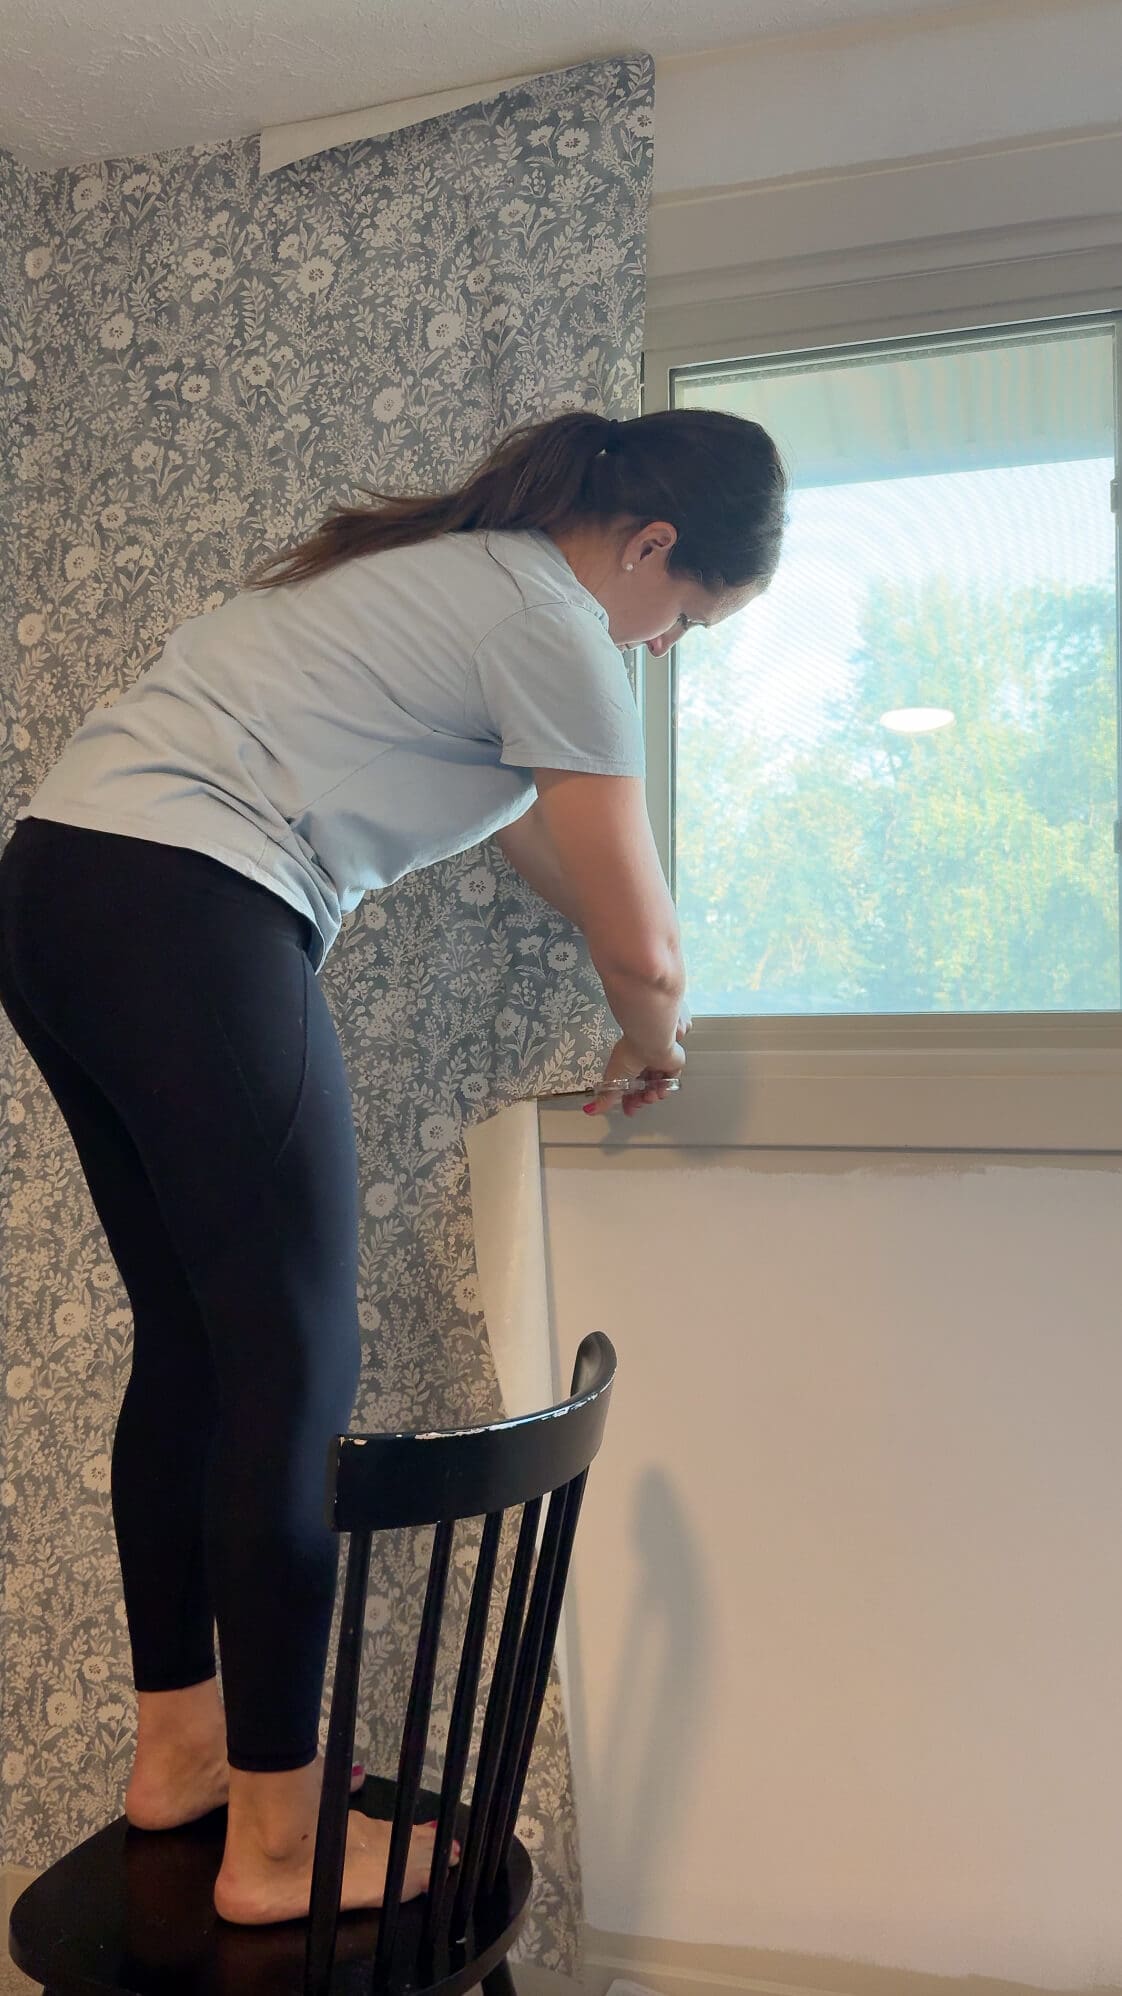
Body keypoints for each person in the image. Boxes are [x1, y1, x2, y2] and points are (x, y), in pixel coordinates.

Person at [0, 406, 786, 1925]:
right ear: (652, 548)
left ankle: (183, 1758)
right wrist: (656, 1039)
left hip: (56, 889)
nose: (664, 648)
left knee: (200, 1350)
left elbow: (553, 852)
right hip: (191, 901)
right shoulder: (554, 622)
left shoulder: (457, 577)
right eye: (686, 618)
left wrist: (621, 959)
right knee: (296, 1369)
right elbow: (643, 941)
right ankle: (278, 1848)